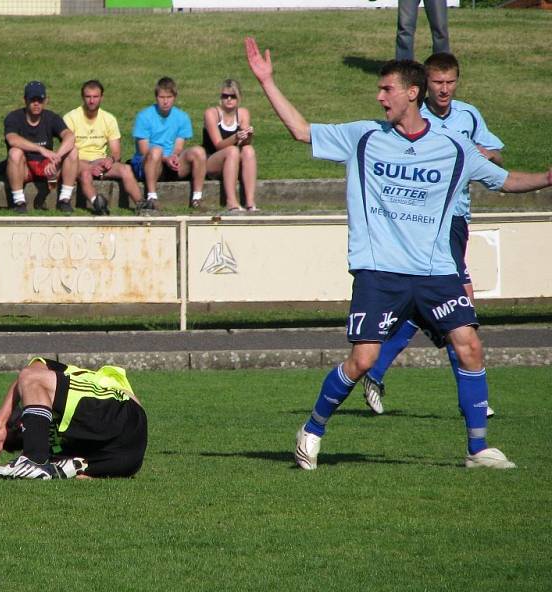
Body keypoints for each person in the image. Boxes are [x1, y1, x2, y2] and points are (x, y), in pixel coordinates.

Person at [245, 36, 552, 471]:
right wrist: (267, 81)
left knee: (470, 347)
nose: (378, 96)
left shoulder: (452, 147)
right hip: (380, 271)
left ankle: (478, 448)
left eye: (386, 89)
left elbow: (503, 180)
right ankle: (312, 429)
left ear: (412, 92)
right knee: (363, 360)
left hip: (435, 271)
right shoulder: (364, 136)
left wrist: (546, 176)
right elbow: (301, 130)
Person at [361, 52, 504, 416]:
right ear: (423, 86)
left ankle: (375, 370)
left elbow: (496, 157)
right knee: (461, 307)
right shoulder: (411, 119)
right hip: (432, 222)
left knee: (429, 306)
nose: (444, 89)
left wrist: (478, 154)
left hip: (459, 219)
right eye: (437, 82)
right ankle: (475, 404)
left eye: (450, 82)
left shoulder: (468, 116)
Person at [0, 357, 148, 479]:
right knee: (56, 463)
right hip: (125, 457)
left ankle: (34, 461)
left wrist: (1, 418)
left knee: (30, 378)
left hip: (123, 415)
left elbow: (29, 373)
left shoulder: (63, 375)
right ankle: (38, 463)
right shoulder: (49, 442)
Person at [63, 80, 143, 215]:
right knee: (85, 174)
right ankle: (99, 205)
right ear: (83, 98)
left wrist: (110, 160)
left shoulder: (109, 119)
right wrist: (90, 166)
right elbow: (67, 152)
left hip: (100, 163)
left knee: (125, 169)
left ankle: (142, 204)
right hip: (78, 163)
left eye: (95, 97)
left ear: (101, 97)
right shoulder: (70, 118)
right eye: (88, 97)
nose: (92, 101)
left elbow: (117, 152)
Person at [131, 77, 206, 211]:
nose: (165, 101)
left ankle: (197, 198)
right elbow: (143, 150)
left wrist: (174, 156)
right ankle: (152, 197)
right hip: (149, 162)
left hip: (169, 162)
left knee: (199, 151)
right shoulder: (144, 116)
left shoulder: (182, 117)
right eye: (161, 97)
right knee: (156, 151)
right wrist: (165, 158)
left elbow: (178, 147)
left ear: (175, 97)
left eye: (169, 97)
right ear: (156, 97)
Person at [4, 81, 78, 214]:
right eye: (32, 100)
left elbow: (70, 136)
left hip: (47, 166)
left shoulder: (52, 117)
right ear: (25, 100)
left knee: (73, 151)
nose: (36, 103)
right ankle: (19, 202)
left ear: (46, 100)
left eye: (40, 99)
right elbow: (12, 139)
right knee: (15, 152)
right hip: (25, 167)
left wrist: (57, 157)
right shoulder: (14, 117)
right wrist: (41, 149)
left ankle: (64, 200)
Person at [202, 79, 258, 213]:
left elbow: (245, 143)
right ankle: (231, 201)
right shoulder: (212, 113)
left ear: (239, 98)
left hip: (233, 161)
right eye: (225, 96)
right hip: (212, 160)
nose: (228, 99)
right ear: (220, 98)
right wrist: (235, 137)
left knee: (248, 150)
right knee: (232, 150)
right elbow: (218, 145)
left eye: (232, 96)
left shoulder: (243, 113)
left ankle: (250, 202)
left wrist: (248, 135)